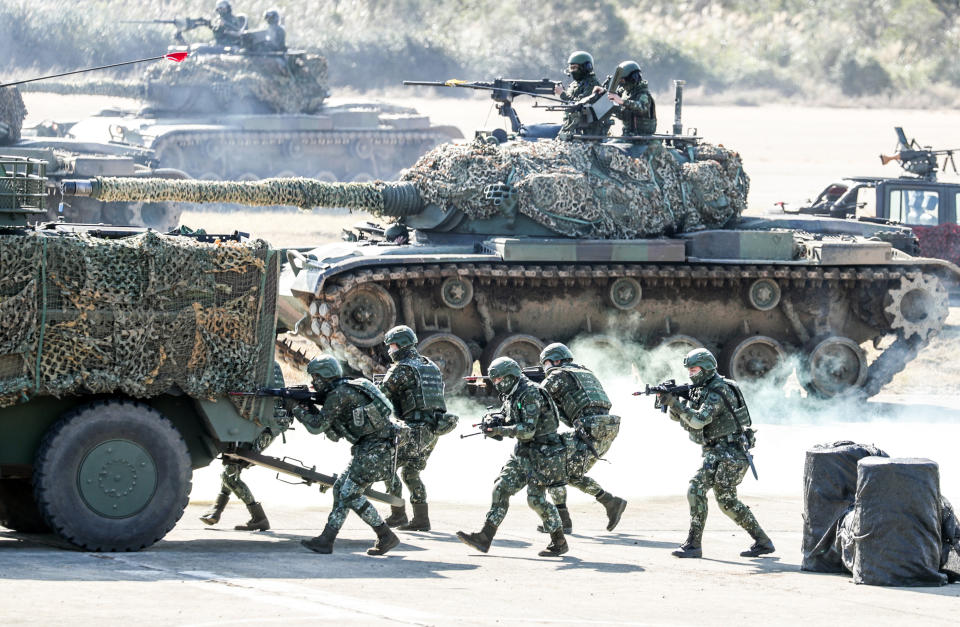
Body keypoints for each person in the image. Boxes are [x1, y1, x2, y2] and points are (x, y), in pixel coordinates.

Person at [657, 348, 775, 559]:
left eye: (694, 370)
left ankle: (693, 545)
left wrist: (675, 403)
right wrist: (670, 402)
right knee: (728, 502)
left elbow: (698, 420)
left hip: (730, 453)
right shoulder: (704, 388)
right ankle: (763, 541)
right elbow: (681, 418)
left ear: (706, 368)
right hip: (722, 452)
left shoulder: (718, 391)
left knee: (696, 489)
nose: (691, 374)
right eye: (689, 371)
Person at [457, 357, 570, 557]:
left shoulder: (530, 393)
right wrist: (495, 420)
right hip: (524, 452)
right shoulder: (512, 393)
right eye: (495, 380)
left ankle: (559, 541)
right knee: (500, 489)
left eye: (500, 379)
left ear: (511, 376)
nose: (497, 384)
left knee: (535, 499)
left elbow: (527, 429)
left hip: (543, 453)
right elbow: (509, 417)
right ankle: (485, 537)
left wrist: (500, 430)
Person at [295, 356, 401, 556]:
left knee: (350, 493)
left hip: (375, 450)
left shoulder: (339, 394)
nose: (312, 382)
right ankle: (326, 540)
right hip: (372, 448)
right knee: (340, 489)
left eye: (315, 377)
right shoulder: (346, 388)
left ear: (325, 376)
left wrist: (296, 408)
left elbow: (317, 427)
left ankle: (385, 535)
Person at [538, 343, 627, 534]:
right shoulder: (585, 372)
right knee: (571, 473)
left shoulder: (558, 375)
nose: (545, 369)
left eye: (545, 364)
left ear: (555, 361)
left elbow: (537, 398)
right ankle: (610, 502)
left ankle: (562, 522)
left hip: (589, 429)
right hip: (605, 428)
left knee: (552, 466)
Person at [379, 325, 457, 532]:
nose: (390, 351)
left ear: (403, 345)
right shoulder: (429, 365)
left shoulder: (402, 368)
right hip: (433, 429)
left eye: (392, 346)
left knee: (387, 465)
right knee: (411, 473)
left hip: (415, 429)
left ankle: (397, 515)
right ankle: (421, 520)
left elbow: (380, 395)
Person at [199, 362, 288, 531]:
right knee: (231, 469)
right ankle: (216, 511)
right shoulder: (266, 365)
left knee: (231, 474)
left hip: (265, 427)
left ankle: (258, 517)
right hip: (261, 424)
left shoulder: (264, 367)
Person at [553, 51, 609, 140]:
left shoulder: (592, 84)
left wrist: (562, 94)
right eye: (571, 68)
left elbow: (580, 103)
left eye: (574, 67)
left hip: (587, 132)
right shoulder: (574, 84)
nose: (572, 71)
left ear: (586, 67)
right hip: (572, 125)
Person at [607, 60, 657, 137]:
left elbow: (642, 107)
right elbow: (613, 96)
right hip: (628, 135)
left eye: (622, 80)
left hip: (642, 137)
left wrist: (622, 102)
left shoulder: (643, 94)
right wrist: (603, 91)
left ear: (631, 79)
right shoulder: (626, 92)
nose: (621, 83)